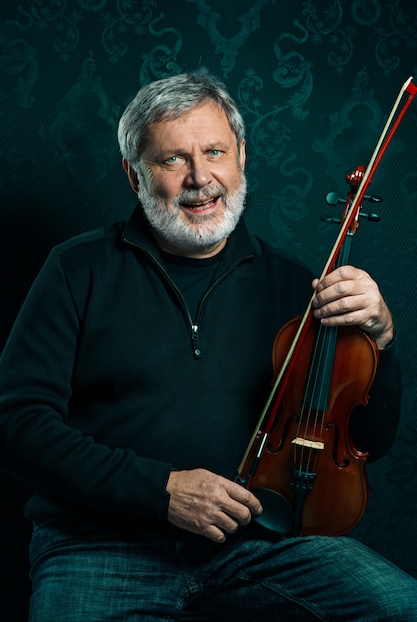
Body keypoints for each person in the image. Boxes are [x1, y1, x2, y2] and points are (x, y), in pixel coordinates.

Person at [0, 69, 416, 621]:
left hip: (255, 548)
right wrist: (162, 489)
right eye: (172, 159)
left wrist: (381, 341)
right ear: (134, 175)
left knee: (398, 605)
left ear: (241, 155)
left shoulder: (295, 285)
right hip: (98, 548)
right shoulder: (78, 269)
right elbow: (17, 426)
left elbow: (368, 439)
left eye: (215, 151)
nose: (201, 178)